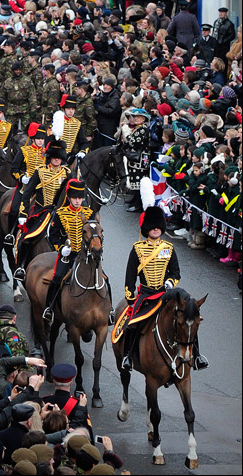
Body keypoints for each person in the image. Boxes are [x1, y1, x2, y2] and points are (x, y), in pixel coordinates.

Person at [119, 205, 207, 372]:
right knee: (133, 323)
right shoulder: (137, 249)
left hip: (165, 294)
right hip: (145, 295)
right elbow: (130, 276)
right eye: (152, 226)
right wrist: (130, 299)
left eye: (158, 226)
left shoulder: (168, 247)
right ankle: (128, 356)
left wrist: (170, 283)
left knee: (189, 318)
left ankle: (197, 356)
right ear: (147, 229)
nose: (156, 229)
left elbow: (175, 272)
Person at [42, 179, 113, 324]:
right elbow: (53, 235)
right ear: (69, 198)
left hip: (87, 256)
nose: (77, 201)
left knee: (105, 279)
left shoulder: (89, 213)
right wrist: (62, 249)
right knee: (57, 278)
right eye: (74, 198)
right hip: (68, 256)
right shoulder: (61, 214)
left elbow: (97, 234)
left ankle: (110, 311)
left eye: (80, 198)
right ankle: (49, 308)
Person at [13, 144, 71, 281]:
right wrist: (23, 213)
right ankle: (20, 267)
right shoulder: (40, 171)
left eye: (59, 158)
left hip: (61, 213)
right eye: (54, 157)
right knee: (28, 237)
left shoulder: (67, 173)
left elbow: (74, 193)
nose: (57, 160)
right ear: (50, 158)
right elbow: (27, 193)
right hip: (42, 212)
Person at [5, 124, 48, 245]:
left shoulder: (46, 153)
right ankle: (11, 234)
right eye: (38, 139)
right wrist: (22, 177)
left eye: (42, 139)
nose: (40, 141)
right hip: (25, 187)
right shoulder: (24, 151)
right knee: (14, 209)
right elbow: (14, 169)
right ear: (33, 139)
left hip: (42, 189)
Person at [118, 108, 151, 212]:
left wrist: (126, 133)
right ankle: (134, 199)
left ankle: (138, 205)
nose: (135, 118)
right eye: (134, 116)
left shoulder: (142, 129)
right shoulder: (137, 128)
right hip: (135, 159)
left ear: (144, 119)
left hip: (140, 160)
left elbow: (132, 143)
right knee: (133, 180)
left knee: (138, 181)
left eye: (138, 117)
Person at [42, 363, 90, 432]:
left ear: (54, 382)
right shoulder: (79, 405)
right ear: (71, 383)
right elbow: (86, 429)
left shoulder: (45, 401)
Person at [51, 96, 89, 166]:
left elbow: (83, 142)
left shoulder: (77, 123)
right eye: (68, 109)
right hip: (56, 156)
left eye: (73, 109)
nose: (71, 111)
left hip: (70, 157)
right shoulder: (58, 121)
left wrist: (82, 151)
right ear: (64, 109)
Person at [0, 62, 37, 128]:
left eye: (19, 70)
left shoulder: (27, 81)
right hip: (11, 108)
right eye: (16, 70)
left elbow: (32, 95)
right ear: (13, 70)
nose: (18, 72)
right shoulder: (7, 82)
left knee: (26, 129)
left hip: (25, 107)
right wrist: (0, 107)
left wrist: (33, 108)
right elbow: (2, 95)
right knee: (10, 129)